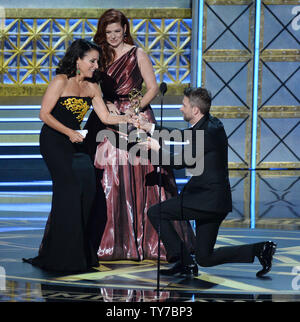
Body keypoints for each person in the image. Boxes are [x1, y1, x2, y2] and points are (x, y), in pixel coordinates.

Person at [84, 9, 195, 261]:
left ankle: (148, 239)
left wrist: (136, 109)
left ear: (125, 29)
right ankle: (111, 239)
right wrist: (102, 103)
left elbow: (153, 87)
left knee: (141, 171)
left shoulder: (138, 53)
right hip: (106, 116)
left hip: (137, 116)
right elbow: (90, 87)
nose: (112, 36)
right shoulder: (97, 56)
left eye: (117, 31)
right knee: (109, 174)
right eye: (108, 31)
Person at [136, 87, 277, 278]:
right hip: (214, 200)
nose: (180, 108)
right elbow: (182, 135)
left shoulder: (207, 133)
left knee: (157, 212)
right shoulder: (208, 124)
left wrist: (157, 148)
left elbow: (182, 161)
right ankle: (260, 249)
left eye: (183, 105)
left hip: (207, 199)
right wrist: (151, 128)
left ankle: (182, 261)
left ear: (195, 110)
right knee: (205, 257)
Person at [22, 39, 131, 272]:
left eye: (97, 61)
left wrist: (129, 118)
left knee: (90, 189)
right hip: (54, 141)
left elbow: (106, 117)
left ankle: (80, 251)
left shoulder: (93, 87)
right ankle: (62, 256)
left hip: (76, 140)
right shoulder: (60, 81)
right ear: (78, 60)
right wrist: (69, 132)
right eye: (91, 61)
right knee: (70, 189)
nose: (95, 65)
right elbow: (44, 114)